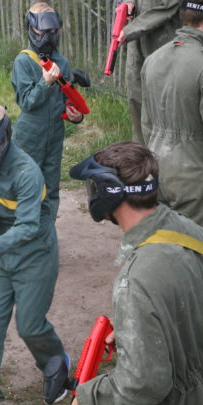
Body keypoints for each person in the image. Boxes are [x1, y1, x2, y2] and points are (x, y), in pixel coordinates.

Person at [68, 141, 203, 405]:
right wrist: (141, 327)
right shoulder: (188, 230)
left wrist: (88, 398)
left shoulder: (134, 282)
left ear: (109, 193)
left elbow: (142, 385)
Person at [0, 102, 69, 405]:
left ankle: (56, 363)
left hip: (35, 252)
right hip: (0, 250)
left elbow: (31, 226)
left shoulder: (26, 172)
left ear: (4, 139)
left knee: (30, 326)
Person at [117, 0, 200, 144]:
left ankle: (161, 160)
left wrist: (129, 30)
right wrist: (128, 3)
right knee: (136, 99)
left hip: (165, 44)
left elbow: (166, 8)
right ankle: (140, 160)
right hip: (138, 41)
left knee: (161, 105)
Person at [12, 3, 83, 220]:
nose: (48, 37)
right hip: (29, 136)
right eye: (42, 32)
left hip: (54, 136)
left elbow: (66, 99)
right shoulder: (23, 61)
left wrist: (74, 114)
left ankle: (45, 234)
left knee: (51, 188)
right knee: (25, 184)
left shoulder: (61, 61)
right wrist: (45, 82)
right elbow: (26, 102)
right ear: (32, 30)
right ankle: (21, 233)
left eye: (52, 32)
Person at [141, 0, 203, 226]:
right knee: (194, 253)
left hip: (156, 168)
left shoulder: (154, 59)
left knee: (167, 244)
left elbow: (145, 123)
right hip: (193, 175)